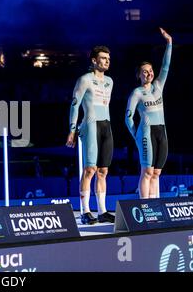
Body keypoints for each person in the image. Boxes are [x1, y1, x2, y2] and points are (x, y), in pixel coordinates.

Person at [66, 46, 116, 225]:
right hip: (90, 125)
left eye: (108, 58)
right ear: (94, 60)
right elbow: (74, 105)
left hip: (106, 126)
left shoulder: (110, 81)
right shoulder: (84, 80)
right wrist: (72, 129)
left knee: (103, 171)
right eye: (103, 58)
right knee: (90, 170)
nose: (107, 61)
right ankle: (85, 211)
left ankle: (102, 211)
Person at [125, 28, 172, 199]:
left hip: (162, 132)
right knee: (147, 171)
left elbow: (166, 66)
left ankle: (155, 206)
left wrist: (169, 43)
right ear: (139, 75)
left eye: (151, 70)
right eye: (145, 71)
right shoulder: (136, 93)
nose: (149, 73)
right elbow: (128, 117)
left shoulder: (158, 85)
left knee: (157, 172)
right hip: (146, 132)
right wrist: (136, 135)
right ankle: (144, 206)